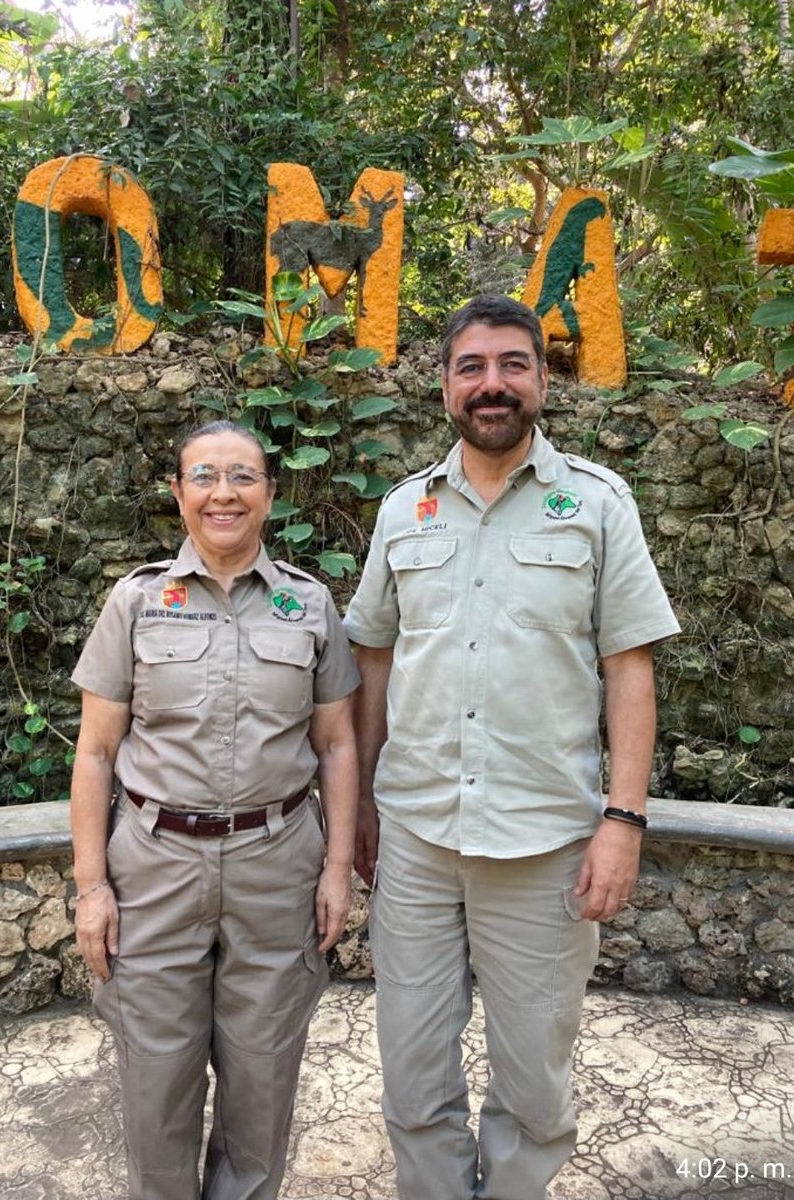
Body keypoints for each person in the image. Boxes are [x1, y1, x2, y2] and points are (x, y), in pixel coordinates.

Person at [344, 295, 680, 1200]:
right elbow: (371, 664)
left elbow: (631, 670)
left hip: (545, 844)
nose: (492, 384)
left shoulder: (599, 505)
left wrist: (624, 820)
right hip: (415, 837)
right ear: (445, 383)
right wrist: (362, 814)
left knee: (534, 1078)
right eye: (471, 367)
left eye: (512, 365)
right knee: (413, 1072)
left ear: (541, 377)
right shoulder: (402, 510)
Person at [69, 420, 359, 1200]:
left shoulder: (310, 604)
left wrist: (337, 869)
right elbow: (95, 752)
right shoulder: (136, 602)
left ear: (269, 493)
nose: (222, 494)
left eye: (242, 477)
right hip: (154, 869)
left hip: (278, 863)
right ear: (178, 493)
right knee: (156, 1081)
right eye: (203, 477)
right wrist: (91, 887)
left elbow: (336, 744)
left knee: (262, 1079)